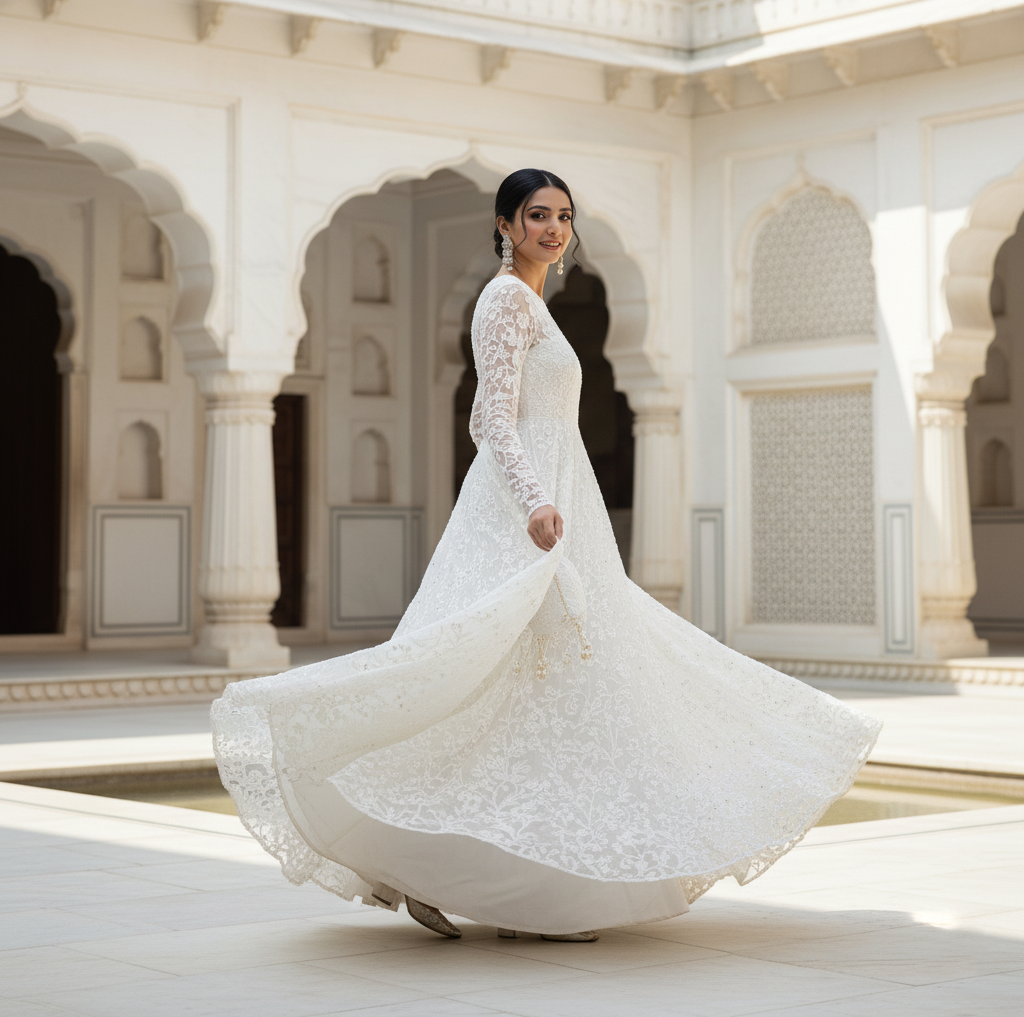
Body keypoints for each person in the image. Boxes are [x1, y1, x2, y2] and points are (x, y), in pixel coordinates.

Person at [211, 168, 880, 944]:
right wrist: (533, 499)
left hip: (559, 505)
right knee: (490, 675)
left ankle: (471, 880)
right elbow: (491, 417)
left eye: (563, 216)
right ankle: (469, 883)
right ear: (505, 224)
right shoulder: (504, 300)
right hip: (523, 515)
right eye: (537, 216)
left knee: (540, 688)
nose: (553, 229)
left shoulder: (532, 303)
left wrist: (549, 495)